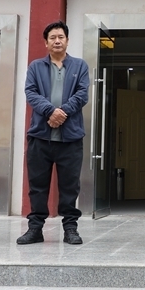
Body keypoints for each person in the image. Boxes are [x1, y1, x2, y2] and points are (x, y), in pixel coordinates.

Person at [17, 21, 90, 245]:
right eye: (52, 38)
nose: (57, 41)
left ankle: (70, 229)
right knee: (37, 186)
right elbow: (31, 92)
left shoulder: (79, 66)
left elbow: (82, 94)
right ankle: (35, 229)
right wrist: (50, 111)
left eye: (61, 37)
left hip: (71, 138)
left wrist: (62, 113)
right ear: (46, 42)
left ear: (67, 41)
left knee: (70, 186)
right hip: (40, 137)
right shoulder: (36, 67)